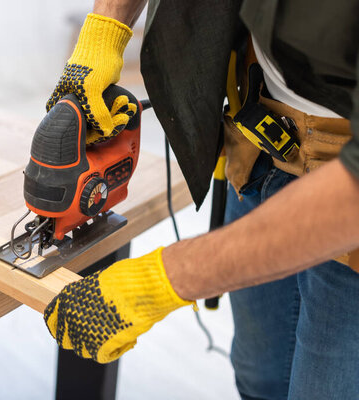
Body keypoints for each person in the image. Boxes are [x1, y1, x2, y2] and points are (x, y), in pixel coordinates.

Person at [42, 1, 359, 398]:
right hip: (260, 146)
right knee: (259, 378)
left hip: (346, 200)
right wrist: (103, 34)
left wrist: (161, 281)